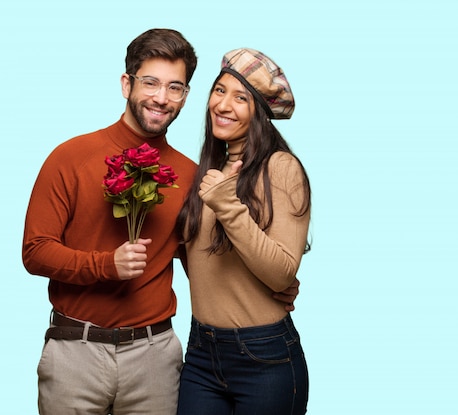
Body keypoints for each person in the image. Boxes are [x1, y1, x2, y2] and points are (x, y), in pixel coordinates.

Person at [22, 29, 299, 414]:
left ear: (185, 96)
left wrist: (269, 287)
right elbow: (34, 253)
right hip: (75, 351)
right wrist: (106, 265)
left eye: (175, 87)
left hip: (154, 357)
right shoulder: (69, 157)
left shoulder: (191, 175)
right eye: (150, 83)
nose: (161, 98)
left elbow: (201, 260)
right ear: (126, 84)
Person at [175, 48, 312, 414]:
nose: (223, 104)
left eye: (241, 98)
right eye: (219, 91)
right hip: (202, 352)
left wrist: (228, 207)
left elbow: (282, 272)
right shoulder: (209, 169)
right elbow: (200, 259)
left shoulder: (281, 168)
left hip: (263, 355)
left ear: (260, 114)